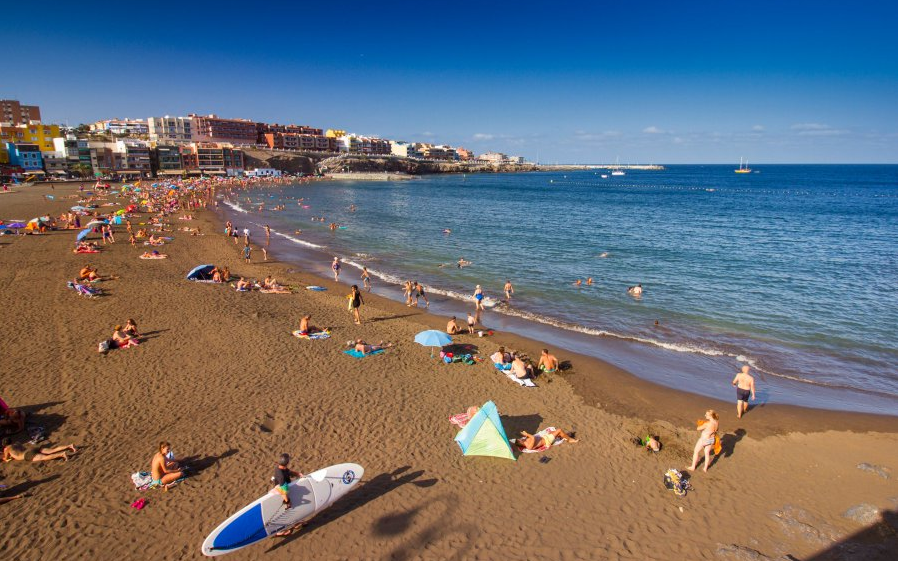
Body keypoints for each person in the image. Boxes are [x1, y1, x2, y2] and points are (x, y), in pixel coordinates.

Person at [2, 439, 76, 463]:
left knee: (44, 457)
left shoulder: (6, 449)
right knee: (52, 450)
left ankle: (62, 454)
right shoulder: (17, 443)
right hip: (31, 449)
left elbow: (6, 458)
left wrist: (4, 458)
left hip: (27, 455)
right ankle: (69, 446)